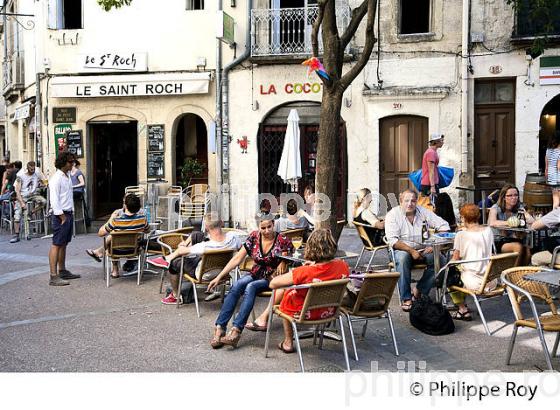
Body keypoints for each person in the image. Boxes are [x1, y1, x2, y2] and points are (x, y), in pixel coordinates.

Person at [207, 215, 293, 349]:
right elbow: (237, 259)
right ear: (258, 227)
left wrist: (284, 260)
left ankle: (236, 330)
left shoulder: (282, 240)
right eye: (263, 228)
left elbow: (291, 256)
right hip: (256, 273)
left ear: (273, 224)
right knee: (237, 285)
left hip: (272, 278)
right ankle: (220, 327)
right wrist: (219, 277)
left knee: (250, 287)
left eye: (269, 227)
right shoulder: (254, 237)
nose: (266, 231)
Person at [269, 228, 349, 353]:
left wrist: (305, 269)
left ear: (310, 248)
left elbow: (273, 284)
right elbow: (325, 271)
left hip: (304, 313)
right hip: (330, 311)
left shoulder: (305, 271)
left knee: (287, 297)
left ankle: (288, 342)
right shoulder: (343, 266)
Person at [146, 213, 242, 305]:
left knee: (175, 263)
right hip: (224, 270)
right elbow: (239, 250)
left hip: (203, 274)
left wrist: (182, 245)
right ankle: (167, 259)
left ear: (207, 228)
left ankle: (175, 296)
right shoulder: (234, 237)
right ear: (221, 223)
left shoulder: (204, 246)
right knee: (197, 235)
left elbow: (181, 251)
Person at [384, 189, 450, 311]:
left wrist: (434, 244)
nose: (410, 204)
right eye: (406, 201)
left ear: (417, 201)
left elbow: (444, 226)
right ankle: (406, 298)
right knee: (402, 259)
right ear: (400, 201)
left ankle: (419, 290)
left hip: (423, 249)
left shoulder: (423, 212)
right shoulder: (392, 215)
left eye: (413, 201)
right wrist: (412, 251)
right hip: (401, 249)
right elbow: (393, 241)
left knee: (440, 259)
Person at [446, 204, 494, 321]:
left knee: (448, 273)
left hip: (474, 281)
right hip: (491, 279)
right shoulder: (488, 230)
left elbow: (455, 259)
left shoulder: (461, 235)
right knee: (458, 270)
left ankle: (462, 309)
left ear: (463, 218)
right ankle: (462, 306)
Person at [86, 193, 149, 278]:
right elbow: (148, 230)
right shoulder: (142, 219)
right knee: (112, 238)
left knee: (111, 239)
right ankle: (100, 253)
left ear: (125, 205)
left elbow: (100, 233)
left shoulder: (116, 220)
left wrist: (111, 218)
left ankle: (114, 270)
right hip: (134, 249)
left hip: (117, 250)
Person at [48, 152, 79, 286]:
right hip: (61, 215)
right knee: (57, 244)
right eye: (70, 161)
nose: (72, 163)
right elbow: (54, 199)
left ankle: (62, 270)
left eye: (73, 161)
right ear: (63, 163)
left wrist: (70, 212)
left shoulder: (67, 176)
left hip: (67, 213)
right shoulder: (56, 178)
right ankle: (53, 276)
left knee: (64, 243)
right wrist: (61, 216)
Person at [488, 184, 534, 266]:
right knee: (518, 247)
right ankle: (511, 273)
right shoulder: (495, 208)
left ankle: (519, 273)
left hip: (512, 239)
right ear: (504, 197)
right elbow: (492, 222)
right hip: (497, 241)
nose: (514, 198)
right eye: (510, 195)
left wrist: (524, 215)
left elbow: (531, 221)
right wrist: (511, 222)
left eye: (516, 195)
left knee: (527, 252)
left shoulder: (519, 207)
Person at [11, 161, 47, 243]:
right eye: (31, 169)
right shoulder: (20, 175)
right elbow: (17, 191)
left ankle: (31, 212)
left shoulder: (37, 171)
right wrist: (22, 203)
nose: (33, 171)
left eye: (34, 169)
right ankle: (16, 235)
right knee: (17, 215)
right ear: (27, 169)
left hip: (33, 194)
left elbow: (44, 180)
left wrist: (44, 184)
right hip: (22, 195)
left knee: (43, 202)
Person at [70, 160, 90, 226]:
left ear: (74, 164)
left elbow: (82, 183)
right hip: (72, 192)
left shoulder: (78, 172)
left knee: (68, 197)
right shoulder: (69, 173)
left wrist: (73, 186)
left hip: (77, 192)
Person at [545, 132, 560, 209]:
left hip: (551, 178)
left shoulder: (548, 150)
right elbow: (559, 167)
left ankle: (554, 217)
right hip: (558, 178)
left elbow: (546, 167)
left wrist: (547, 178)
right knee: (558, 201)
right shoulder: (559, 151)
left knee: (555, 200)